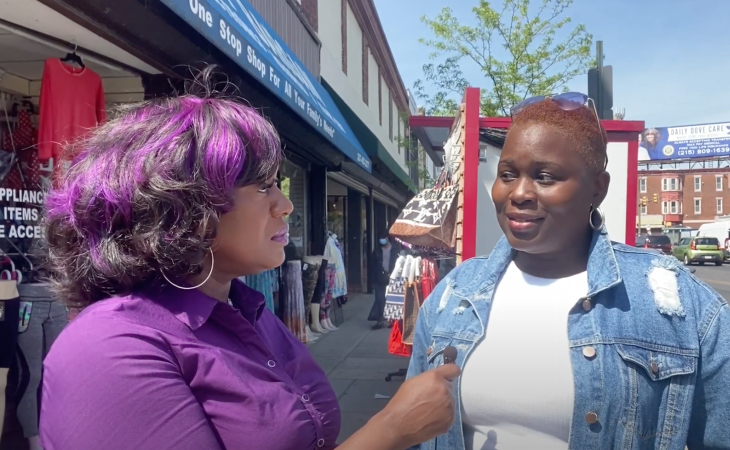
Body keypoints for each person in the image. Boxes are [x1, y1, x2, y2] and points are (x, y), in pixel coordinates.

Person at [39, 70, 460, 450]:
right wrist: (390, 430)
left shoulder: (246, 310)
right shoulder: (111, 346)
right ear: (184, 206)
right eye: (262, 187)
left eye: (278, 184)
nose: (286, 205)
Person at [406, 93, 730, 450]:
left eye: (546, 176)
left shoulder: (677, 304)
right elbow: (410, 432)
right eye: (507, 174)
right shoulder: (454, 295)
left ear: (597, 189)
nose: (518, 192)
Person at [368, 229, 399, 330]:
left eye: (383, 238)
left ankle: (391, 321)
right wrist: (372, 280)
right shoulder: (376, 250)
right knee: (379, 299)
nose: (381, 240)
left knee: (391, 300)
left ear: (387, 238)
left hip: (392, 277)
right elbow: (371, 266)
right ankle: (380, 320)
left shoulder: (395, 249)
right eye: (380, 239)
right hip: (379, 278)